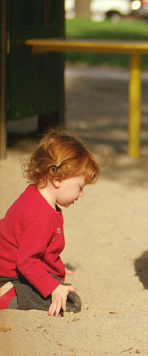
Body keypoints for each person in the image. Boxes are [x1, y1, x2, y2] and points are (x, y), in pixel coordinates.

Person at [0, 130, 100, 316]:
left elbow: (32, 245)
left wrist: (52, 264)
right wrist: (53, 287)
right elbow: (27, 262)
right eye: (80, 187)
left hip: (11, 269)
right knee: (70, 302)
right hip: (9, 276)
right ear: (58, 179)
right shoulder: (40, 216)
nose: (81, 194)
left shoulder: (34, 196)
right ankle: (8, 297)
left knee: (60, 287)